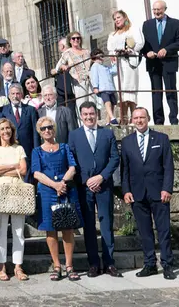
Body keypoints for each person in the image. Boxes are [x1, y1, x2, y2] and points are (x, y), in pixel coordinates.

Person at [122, 107, 176, 279]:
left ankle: (167, 265)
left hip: (159, 192)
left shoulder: (162, 139)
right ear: (132, 120)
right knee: (145, 232)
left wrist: (167, 188)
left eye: (142, 117)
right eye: (136, 117)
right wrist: (126, 190)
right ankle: (150, 264)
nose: (139, 120)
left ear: (148, 118)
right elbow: (125, 170)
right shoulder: (127, 142)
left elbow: (168, 167)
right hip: (137, 193)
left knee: (163, 230)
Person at [68, 102, 121, 278]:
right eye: (85, 114)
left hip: (104, 185)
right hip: (85, 188)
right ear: (81, 116)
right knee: (89, 225)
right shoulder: (74, 135)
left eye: (92, 114)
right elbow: (72, 161)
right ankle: (93, 263)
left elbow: (114, 158)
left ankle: (109, 262)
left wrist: (101, 177)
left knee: (106, 223)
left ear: (96, 114)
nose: (89, 117)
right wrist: (86, 181)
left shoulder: (107, 133)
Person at [31, 116, 83, 282]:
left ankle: (69, 265)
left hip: (65, 189)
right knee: (51, 230)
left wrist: (62, 183)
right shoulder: (36, 151)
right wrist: (55, 185)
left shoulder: (64, 147)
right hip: (47, 192)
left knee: (68, 228)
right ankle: (56, 265)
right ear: (40, 132)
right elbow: (37, 173)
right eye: (43, 128)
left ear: (54, 129)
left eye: (49, 127)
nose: (47, 130)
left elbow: (72, 167)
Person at [0, 118, 29, 282]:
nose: (6, 132)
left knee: (19, 230)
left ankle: (18, 266)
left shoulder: (19, 148)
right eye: (2, 129)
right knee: (1, 229)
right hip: (0, 191)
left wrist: (2, 169)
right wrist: (13, 166)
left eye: (8, 128)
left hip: (18, 190)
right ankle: (2, 266)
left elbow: (24, 170)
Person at [141, 0, 179, 125]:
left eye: (159, 10)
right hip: (153, 64)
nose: (156, 12)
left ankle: (174, 120)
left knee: (171, 91)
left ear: (165, 9)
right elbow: (143, 44)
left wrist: (167, 49)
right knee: (156, 92)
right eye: (154, 10)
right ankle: (158, 121)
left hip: (169, 62)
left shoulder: (176, 23)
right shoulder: (147, 25)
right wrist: (147, 53)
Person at [107, 10, 145, 125]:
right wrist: (113, 54)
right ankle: (123, 119)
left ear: (125, 18)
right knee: (121, 91)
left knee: (130, 89)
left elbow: (140, 43)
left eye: (118, 17)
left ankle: (134, 118)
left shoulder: (133, 30)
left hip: (129, 63)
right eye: (115, 19)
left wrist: (129, 50)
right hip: (119, 65)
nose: (116, 20)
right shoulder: (112, 35)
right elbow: (110, 49)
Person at [0, 84, 41, 158]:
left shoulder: (31, 110)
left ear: (21, 95)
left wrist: (36, 151)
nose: (15, 96)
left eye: (17, 93)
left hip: (28, 151)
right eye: (13, 93)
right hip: (10, 150)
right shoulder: (3, 110)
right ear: (9, 95)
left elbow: (35, 132)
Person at [55, 31, 91, 115]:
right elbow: (58, 67)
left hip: (91, 79)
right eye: (73, 38)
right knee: (82, 104)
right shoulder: (67, 53)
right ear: (70, 41)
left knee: (92, 102)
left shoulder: (87, 52)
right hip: (78, 81)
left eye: (78, 38)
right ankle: (82, 125)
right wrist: (63, 66)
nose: (76, 40)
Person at [89, 49, 119, 125]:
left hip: (110, 88)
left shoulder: (105, 66)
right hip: (103, 89)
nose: (102, 57)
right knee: (107, 102)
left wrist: (114, 63)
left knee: (112, 104)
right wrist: (95, 87)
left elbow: (114, 71)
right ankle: (112, 117)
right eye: (99, 55)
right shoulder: (95, 66)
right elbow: (94, 77)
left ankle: (108, 121)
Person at [54, 37, 77, 114]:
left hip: (67, 87)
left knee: (70, 111)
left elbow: (60, 68)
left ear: (62, 46)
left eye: (58, 46)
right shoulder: (64, 54)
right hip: (62, 88)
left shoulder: (68, 53)